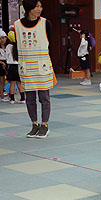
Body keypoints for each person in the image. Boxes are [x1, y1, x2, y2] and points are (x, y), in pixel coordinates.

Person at [14, 0, 54, 138]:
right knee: (30, 99)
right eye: (37, 6)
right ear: (29, 8)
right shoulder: (17, 25)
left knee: (44, 98)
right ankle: (34, 124)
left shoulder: (45, 23)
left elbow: (51, 45)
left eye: (41, 6)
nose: (40, 9)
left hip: (42, 66)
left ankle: (44, 125)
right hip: (26, 67)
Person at [6, 31, 25, 104]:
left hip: (11, 66)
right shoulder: (19, 45)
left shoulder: (8, 46)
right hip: (19, 66)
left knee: (12, 84)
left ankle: (12, 99)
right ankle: (23, 99)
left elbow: (6, 56)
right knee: (19, 83)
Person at [0, 30, 9, 102]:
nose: (3, 40)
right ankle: (1, 95)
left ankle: (2, 93)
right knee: (1, 80)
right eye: (1, 38)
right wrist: (1, 63)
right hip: (1, 63)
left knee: (3, 80)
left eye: (4, 38)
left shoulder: (8, 46)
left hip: (6, 62)